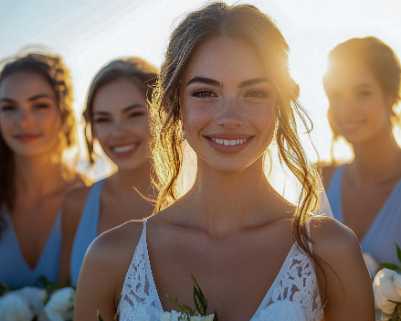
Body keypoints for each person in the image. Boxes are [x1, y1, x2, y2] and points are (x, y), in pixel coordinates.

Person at [74, 3, 375, 320]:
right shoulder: (109, 257)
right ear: (177, 105)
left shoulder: (333, 252)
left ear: (279, 105)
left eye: (254, 93)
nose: (230, 118)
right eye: (205, 93)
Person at [58, 58, 158, 286]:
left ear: (163, 113)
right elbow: (62, 297)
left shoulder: (197, 203)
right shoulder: (77, 205)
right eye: (103, 120)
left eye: (133, 115)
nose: (118, 133)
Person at [0, 52, 85, 289]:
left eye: (39, 105)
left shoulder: (90, 198)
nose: (24, 121)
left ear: (63, 112)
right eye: (8, 107)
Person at [322, 37, 401, 266]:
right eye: (336, 96)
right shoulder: (322, 182)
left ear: (391, 95)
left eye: (362, 93)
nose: (346, 109)